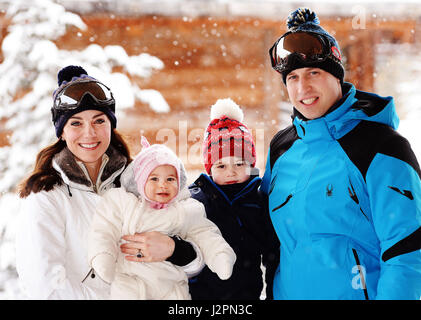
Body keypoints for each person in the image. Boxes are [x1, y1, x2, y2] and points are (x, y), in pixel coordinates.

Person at [261, 7, 421, 299]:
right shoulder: (281, 149)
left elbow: (407, 251)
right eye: (292, 77)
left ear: (337, 77)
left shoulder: (381, 147)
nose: (303, 87)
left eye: (314, 72)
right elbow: (270, 242)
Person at [15, 65, 202, 299]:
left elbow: (197, 257)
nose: (89, 133)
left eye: (98, 121)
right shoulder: (46, 196)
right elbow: (44, 286)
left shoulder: (141, 179)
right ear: (61, 132)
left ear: (111, 125)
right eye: (76, 123)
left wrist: (175, 250)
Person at [88, 137, 236, 299]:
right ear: (141, 180)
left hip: (171, 285)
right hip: (131, 281)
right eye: (154, 179)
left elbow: (205, 234)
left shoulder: (186, 209)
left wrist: (219, 255)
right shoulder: (124, 202)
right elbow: (104, 229)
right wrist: (103, 255)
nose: (163, 185)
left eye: (170, 179)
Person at [188, 98, 280, 300]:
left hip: (246, 296)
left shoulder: (258, 202)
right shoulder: (195, 201)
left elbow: (272, 255)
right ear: (209, 169)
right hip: (200, 296)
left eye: (239, 164)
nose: (231, 172)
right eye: (221, 166)